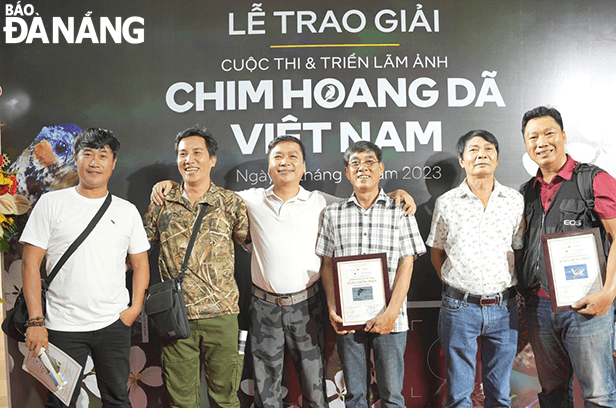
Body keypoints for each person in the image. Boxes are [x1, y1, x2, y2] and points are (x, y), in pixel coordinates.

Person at [150, 135, 416, 408]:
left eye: (292, 157)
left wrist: (397, 194)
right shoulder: (248, 200)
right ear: (268, 166)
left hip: (308, 307)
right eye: (277, 157)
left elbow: (362, 199)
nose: (284, 162)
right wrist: (172, 184)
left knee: (315, 388)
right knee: (267, 390)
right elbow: (204, 191)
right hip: (264, 308)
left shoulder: (323, 203)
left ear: (303, 167)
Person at [21, 128, 150, 408]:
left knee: (117, 400)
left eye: (103, 155)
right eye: (87, 154)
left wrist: (134, 309)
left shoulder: (126, 211)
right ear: (76, 159)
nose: (95, 162)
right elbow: (31, 265)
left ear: (113, 163)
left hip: (113, 324)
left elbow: (140, 264)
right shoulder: (51, 204)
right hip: (60, 326)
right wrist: (36, 322)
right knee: (59, 403)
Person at [518, 106, 616, 407]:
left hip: (587, 306)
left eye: (548, 133)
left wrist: (607, 294)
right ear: (526, 145)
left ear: (564, 135)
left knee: (598, 393)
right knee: (552, 394)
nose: (541, 142)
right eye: (533, 137)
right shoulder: (526, 192)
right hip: (540, 308)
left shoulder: (593, 180)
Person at [144, 125, 249, 408]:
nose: (189, 159)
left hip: (223, 315)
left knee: (226, 400)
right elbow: (140, 247)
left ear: (212, 159)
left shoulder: (230, 202)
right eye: (182, 154)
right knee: (181, 402)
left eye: (197, 152)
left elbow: (250, 243)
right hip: (175, 317)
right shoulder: (162, 202)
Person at [316, 141, 426, 408]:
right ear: (346, 172)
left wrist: (391, 312)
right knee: (354, 396)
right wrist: (332, 305)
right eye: (355, 163)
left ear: (381, 168)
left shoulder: (400, 210)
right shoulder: (332, 213)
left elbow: (407, 263)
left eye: (369, 162)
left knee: (392, 397)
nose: (362, 168)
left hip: (391, 318)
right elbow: (328, 264)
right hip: (348, 318)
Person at [426, 130, 524, 407]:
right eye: (473, 150)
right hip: (459, 308)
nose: (482, 154)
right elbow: (437, 251)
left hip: (505, 307)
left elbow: (518, 247)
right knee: (458, 395)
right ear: (462, 160)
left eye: (488, 149)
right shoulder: (446, 203)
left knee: (500, 394)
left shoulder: (514, 201)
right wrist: (455, 284)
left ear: (497, 157)